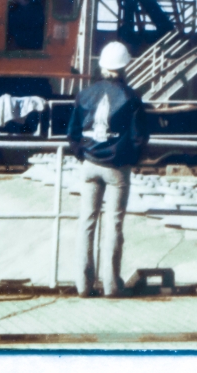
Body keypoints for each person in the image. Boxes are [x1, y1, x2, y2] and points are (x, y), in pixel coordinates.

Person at [68, 41, 151, 299]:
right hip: (117, 168)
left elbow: (72, 132)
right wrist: (128, 157)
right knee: (113, 226)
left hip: (90, 165)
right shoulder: (131, 97)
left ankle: (83, 285)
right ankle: (112, 286)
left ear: (102, 66)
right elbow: (140, 136)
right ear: (124, 66)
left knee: (86, 224)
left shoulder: (85, 94)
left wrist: (83, 152)